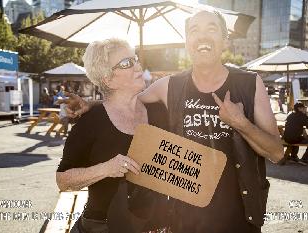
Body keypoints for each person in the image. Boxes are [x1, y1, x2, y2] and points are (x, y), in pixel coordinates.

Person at [63, 10, 284, 233]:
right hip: (184, 221)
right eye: (194, 30)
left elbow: (276, 152)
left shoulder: (249, 84)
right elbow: (124, 100)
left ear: (225, 41)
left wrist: (241, 123)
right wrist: (91, 105)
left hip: (239, 220)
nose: (202, 36)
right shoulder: (169, 86)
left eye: (211, 29)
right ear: (187, 42)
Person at [56, 38, 169, 233]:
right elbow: (63, 180)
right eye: (127, 63)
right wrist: (106, 169)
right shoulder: (90, 122)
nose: (137, 66)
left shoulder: (159, 112)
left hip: (156, 225)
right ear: (107, 79)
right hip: (104, 226)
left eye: (135, 59)